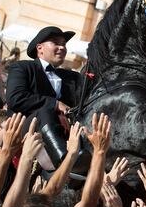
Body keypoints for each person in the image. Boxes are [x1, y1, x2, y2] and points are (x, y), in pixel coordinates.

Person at [6, 26, 87, 173]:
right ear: (40, 48)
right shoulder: (22, 67)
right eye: (56, 42)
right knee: (45, 111)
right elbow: (15, 98)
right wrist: (55, 104)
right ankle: (64, 161)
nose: (62, 47)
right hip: (25, 130)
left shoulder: (72, 77)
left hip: (64, 131)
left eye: (64, 44)